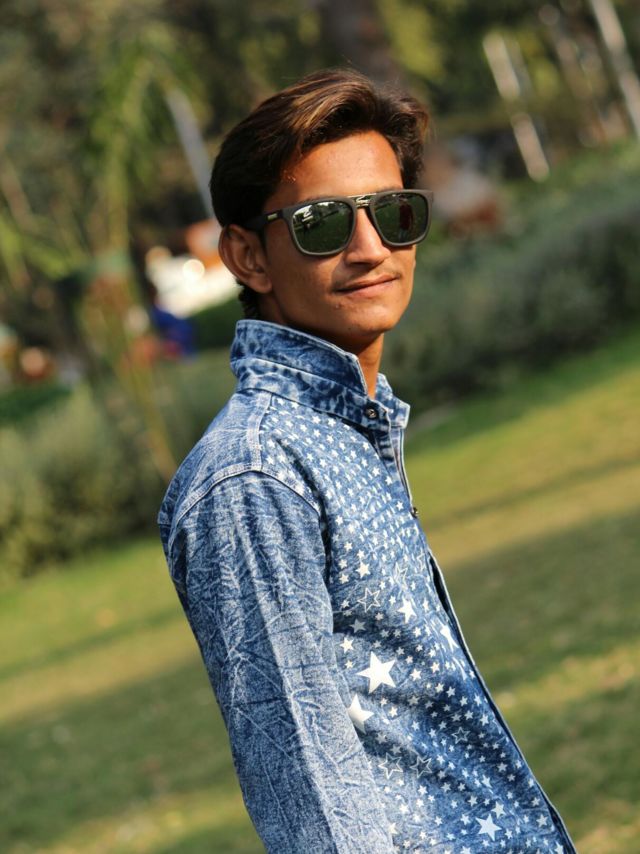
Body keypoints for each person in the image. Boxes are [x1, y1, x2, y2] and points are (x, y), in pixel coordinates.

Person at [158, 68, 576, 853]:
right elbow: (311, 791)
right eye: (321, 223)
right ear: (247, 256)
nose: (371, 248)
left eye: (393, 213)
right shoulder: (256, 477)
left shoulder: (345, 431)